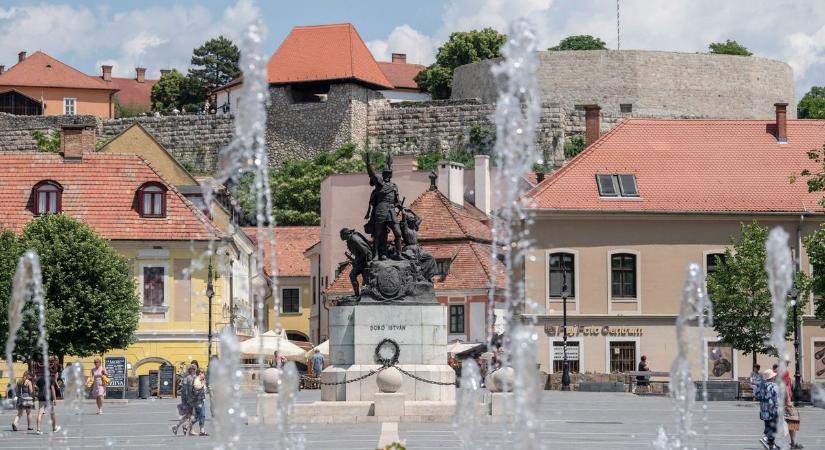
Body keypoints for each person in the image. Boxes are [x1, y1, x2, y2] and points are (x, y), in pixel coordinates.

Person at [773, 363, 803, 449]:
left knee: (779, 423)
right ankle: (792, 443)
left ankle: (790, 443)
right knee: (792, 422)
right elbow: (785, 387)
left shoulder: (775, 371)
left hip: (777, 402)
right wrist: (788, 401)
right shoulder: (784, 372)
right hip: (784, 403)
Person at [755, 368, 780, 450]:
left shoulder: (761, 386)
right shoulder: (774, 386)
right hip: (772, 410)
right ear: (772, 378)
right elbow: (777, 398)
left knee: (768, 426)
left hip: (764, 410)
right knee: (774, 427)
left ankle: (772, 445)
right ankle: (766, 439)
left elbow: (757, 396)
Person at [171, 364, 196, 436]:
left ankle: (177, 426)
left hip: (189, 399)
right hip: (189, 400)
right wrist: (187, 400)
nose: (193, 370)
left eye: (194, 369)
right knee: (194, 414)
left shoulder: (192, 377)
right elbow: (185, 391)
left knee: (188, 415)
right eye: (192, 369)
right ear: (190, 370)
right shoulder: (188, 378)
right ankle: (187, 427)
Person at [191, 369, 208, 436]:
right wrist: (202, 384)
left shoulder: (200, 380)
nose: (204, 375)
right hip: (198, 401)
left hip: (201, 400)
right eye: (203, 373)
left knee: (200, 416)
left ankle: (202, 430)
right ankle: (188, 425)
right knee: (201, 415)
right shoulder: (196, 380)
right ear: (200, 374)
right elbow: (196, 387)